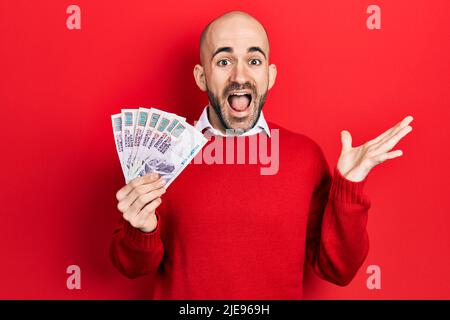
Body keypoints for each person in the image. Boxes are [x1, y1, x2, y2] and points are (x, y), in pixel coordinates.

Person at [109, 11, 413, 299]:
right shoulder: (164, 152)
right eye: (224, 61)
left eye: (253, 60)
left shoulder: (304, 158)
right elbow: (132, 268)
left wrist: (349, 185)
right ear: (201, 77)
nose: (240, 76)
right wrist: (141, 229)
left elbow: (338, 269)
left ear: (270, 75)